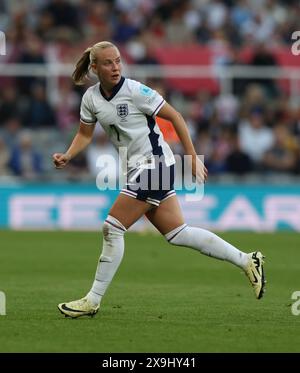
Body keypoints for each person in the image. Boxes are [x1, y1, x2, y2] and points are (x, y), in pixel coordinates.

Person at [53, 41, 266, 318]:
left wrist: (191, 156)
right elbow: (84, 135)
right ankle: (247, 260)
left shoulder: (136, 91)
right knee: (178, 233)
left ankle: (92, 300)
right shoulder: (91, 99)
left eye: (118, 60)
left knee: (112, 228)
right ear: (94, 68)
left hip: (156, 165)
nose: (115, 67)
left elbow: (175, 116)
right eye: (108, 63)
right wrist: (68, 155)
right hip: (137, 170)